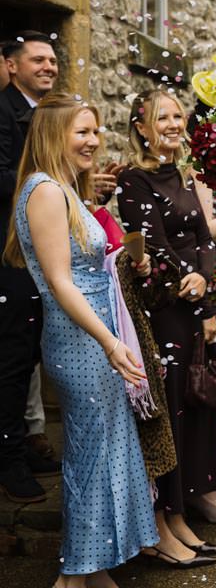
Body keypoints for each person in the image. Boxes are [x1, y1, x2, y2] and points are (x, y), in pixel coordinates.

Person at [4, 94, 159, 587]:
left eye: (96, 131)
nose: (93, 140)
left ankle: (99, 573)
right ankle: (73, 578)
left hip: (96, 335)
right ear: (54, 135)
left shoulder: (66, 190)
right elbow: (61, 282)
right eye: (82, 132)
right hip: (81, 340)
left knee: (108, 449)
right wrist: (110, 344)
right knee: (92, 457)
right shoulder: (46, 192)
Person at [115, 90, 216, 566]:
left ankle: (181, 516)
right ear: (141, 127)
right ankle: (165, 518)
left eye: (179, 115)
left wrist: (206, 275)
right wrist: (188, 278)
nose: (174, 124)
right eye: (163, 117)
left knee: (190, 409)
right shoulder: (134, 180)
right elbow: (154, 247)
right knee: (168, 416)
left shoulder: (182, 173)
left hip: (194, 303)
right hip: (164, 309)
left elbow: (203, 236)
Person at [0, 31, 62, 503]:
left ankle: (24, 444)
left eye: (53, 60)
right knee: (13, 358)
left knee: (32, 354)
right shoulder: (3, 113)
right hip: (9, 252)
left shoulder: (46, 114)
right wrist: (51, 186)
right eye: (37, 59)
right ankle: (10, 461)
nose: (48, 66)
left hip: (38, 249)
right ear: (12, 65)